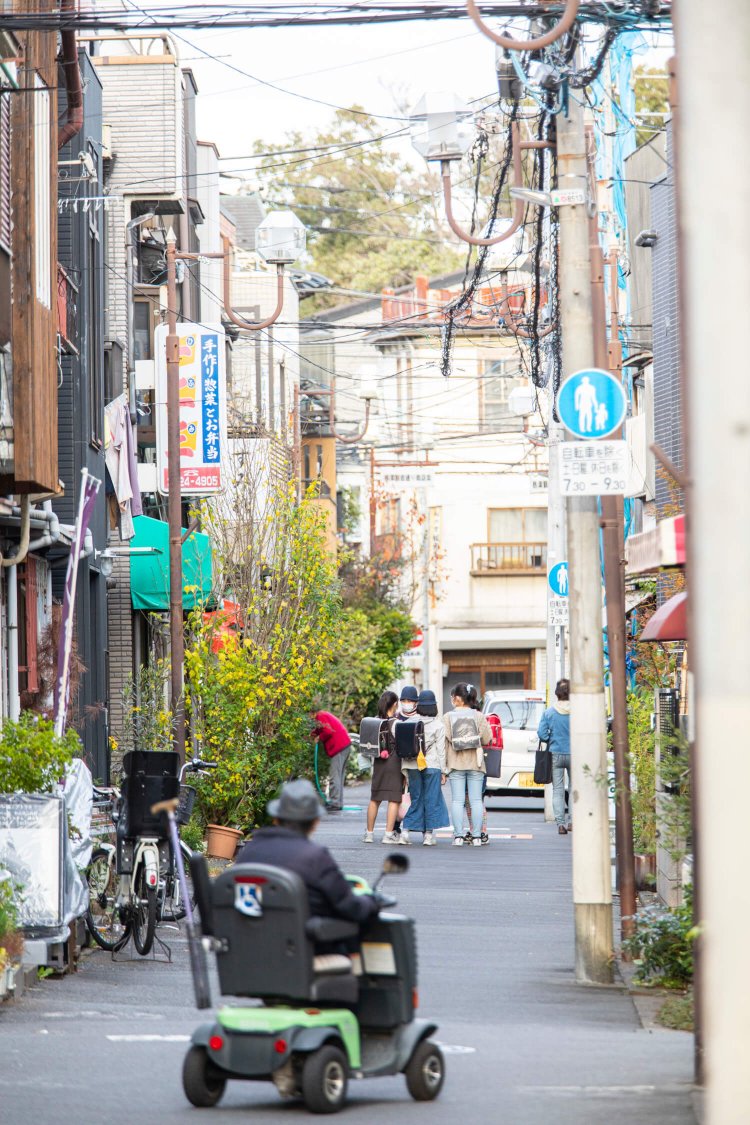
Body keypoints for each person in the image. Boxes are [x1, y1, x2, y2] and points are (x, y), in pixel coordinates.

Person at [237, 779, 379, 936]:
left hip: (248, 948)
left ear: (276, 818)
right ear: (315, 822)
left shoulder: (248, 852)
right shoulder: (315, 858)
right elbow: (351, 907)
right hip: (300, 951)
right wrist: (371, 901)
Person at [399, 689, 449, 847]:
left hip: (413, 766)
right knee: (431, 800)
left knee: (416, 799)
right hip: (432, 766)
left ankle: (405, 832)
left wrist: (405, 771)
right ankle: (428, 836)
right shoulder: (438, 725)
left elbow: (403, 748)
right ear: (434, 706)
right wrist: (444, 771)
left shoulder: (408, 723)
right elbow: (441, 751)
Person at [444, 682, 492, 847]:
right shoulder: (478, 716)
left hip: (455, 763)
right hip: (476, 764)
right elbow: (487, 738)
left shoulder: (448, 717)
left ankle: (458, 836)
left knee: (457, 801)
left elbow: (445, 742)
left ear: (457, 698)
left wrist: (443, 768)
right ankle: (477, 837)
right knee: (476, 800)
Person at [363, 691, 401, 845]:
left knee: (375, 798)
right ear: (394, 704)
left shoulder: (374, 722)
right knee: (394, 798)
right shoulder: (397, 723)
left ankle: (369, 834)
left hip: (378, 763)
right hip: (394, 762)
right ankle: (388, 834)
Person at [537, 678, 571, 835]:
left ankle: (560, 824)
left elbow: (542, 735)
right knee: (573, 788)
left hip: (556, 754)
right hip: (574, 754)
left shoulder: (549, 712)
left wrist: (552, 737)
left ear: (557, 693)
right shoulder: (578, 711)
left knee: (557, 789)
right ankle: (572, 821)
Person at [313, 709, 352, 812]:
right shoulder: (322, 715)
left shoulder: (320, 716)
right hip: (344, 745)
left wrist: (319, 737)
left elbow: (328, 731)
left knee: (334, 775)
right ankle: (338, 802)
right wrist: (314, 734)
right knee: (339, 776)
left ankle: (335, 803)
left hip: (339, 747)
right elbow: (320, 729)